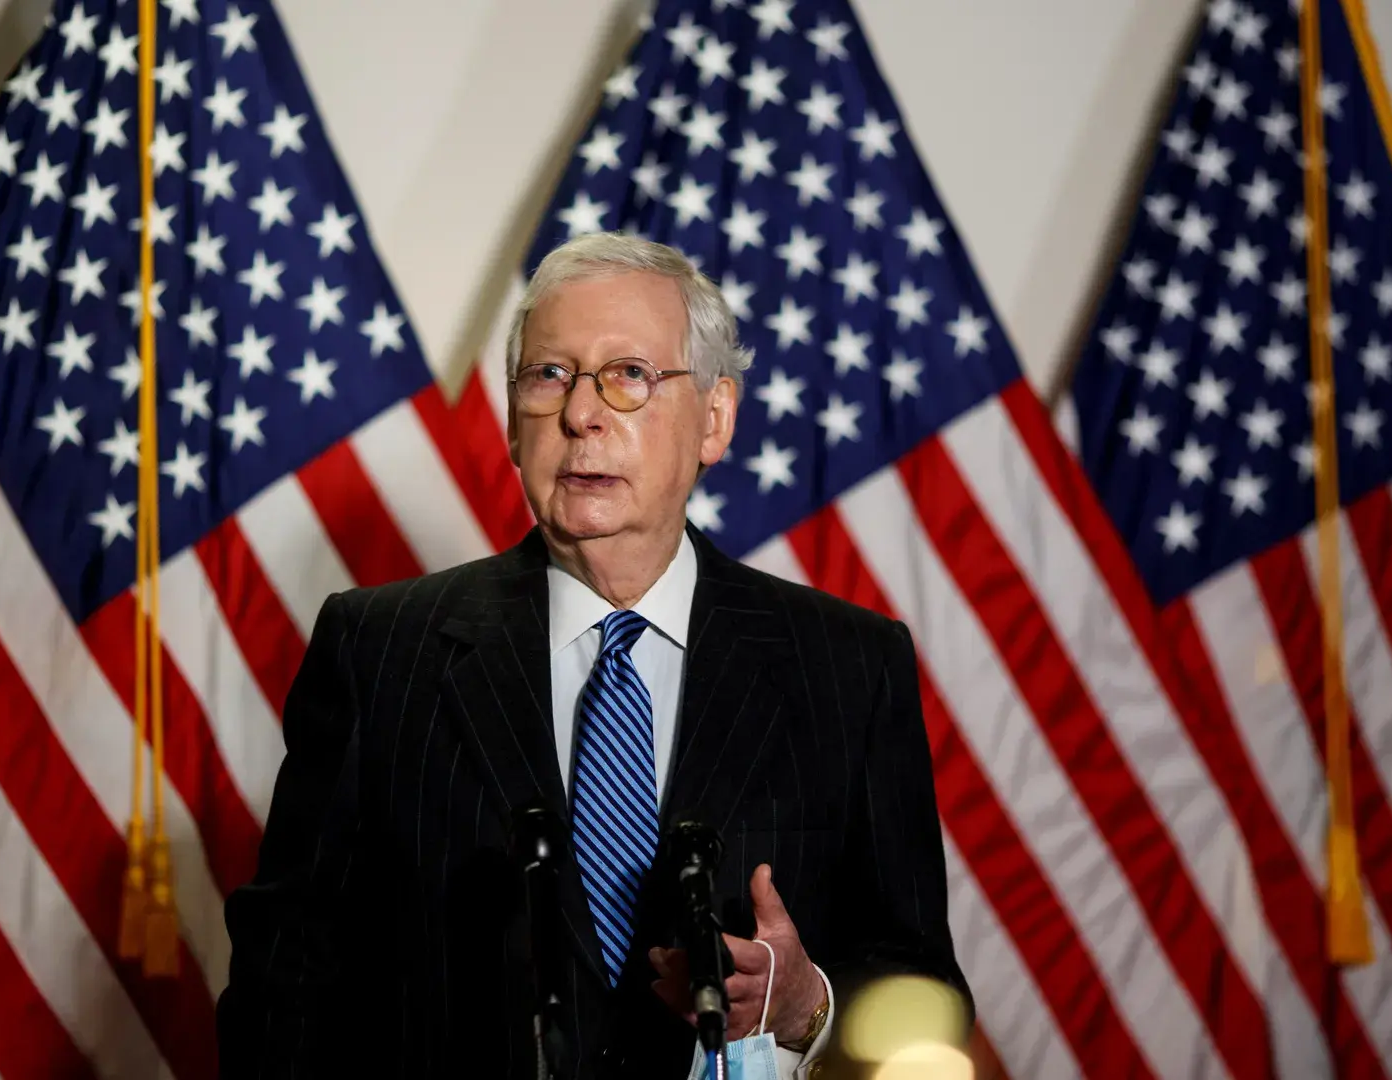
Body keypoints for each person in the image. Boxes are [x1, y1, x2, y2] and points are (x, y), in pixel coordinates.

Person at [217, 233, 971, 1078]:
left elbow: (923, 986)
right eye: (549, 375)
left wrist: (809, 1005)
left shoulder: (849, 667)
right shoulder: (381, 651)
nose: (581, 413)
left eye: (629, 374)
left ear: (715, 419)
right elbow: (283, 985)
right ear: (514, 423)